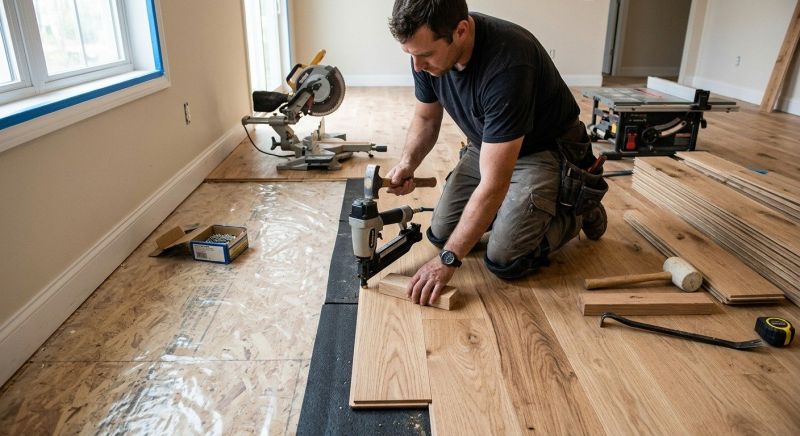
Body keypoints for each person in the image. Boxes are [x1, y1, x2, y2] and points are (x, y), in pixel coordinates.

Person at [386, 0, 607, 306]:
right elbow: (426, 118)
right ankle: (513, 213)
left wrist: (448, 261)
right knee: (440, 235)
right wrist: (407, 163)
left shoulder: (509, 62)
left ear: (460, 31)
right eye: (410, 55)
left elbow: (494, 183)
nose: (417, 67)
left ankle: (579, 211)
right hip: (487, 144)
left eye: (424, 55)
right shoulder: (423, 52)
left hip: (542, 150)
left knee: (505, 259)